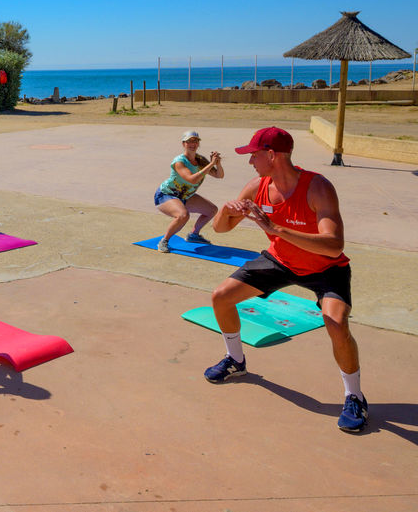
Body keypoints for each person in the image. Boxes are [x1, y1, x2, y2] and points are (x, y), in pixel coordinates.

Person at [205, 126, 367, 433]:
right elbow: (220, 230)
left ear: (271, 155)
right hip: (280, 261)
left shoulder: (318, 188)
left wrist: (277, 229)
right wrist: (227, 210)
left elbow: (334, 245)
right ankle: (235, 361)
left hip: (326, 269)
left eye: (254, 155)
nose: (250, 161)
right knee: (220, 296)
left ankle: (354, 396)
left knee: (336, 324)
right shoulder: (257, 186)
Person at [153, 130, 224, 252]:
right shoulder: (179, 161)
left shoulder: (201, 160)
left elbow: (219, 175)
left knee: (212, 210)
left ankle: (193, 235)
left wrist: (218, 163)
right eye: (189, 141)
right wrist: (211, 164)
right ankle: (164, 241)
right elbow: (192, 179)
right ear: (183, 144)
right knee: (183, 215)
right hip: (166, 195)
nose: (192, 144)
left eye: (195, 141)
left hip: (185, 196)